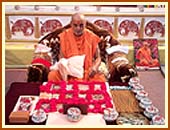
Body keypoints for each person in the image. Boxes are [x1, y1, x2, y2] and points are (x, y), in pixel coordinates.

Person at [48, 13, 106, 82]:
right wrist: (65, 72)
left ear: (85, 24)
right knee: (52, 75)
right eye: (75, 25)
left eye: (81, 25)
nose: (78, 28)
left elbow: (98, 57)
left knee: (101, 80)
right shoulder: (64, 36)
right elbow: (61, 58)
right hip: (69, 73)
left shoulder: (91, 36)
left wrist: (95, 67)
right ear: (71, 24)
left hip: (87, 73)